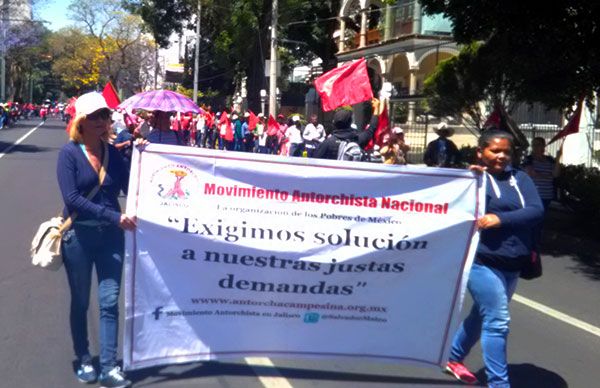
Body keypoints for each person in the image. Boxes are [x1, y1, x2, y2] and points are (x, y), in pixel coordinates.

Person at [445, 129, 544, 388]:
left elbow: (536, 210)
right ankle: (499, 384)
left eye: (506, 152)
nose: (501, 156)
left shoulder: (520, 179)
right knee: (498, 320)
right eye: (494, 150)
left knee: (482, 314)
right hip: (481, 262)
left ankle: (453, 357)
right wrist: (467, 180)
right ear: (481, 152)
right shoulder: (472, 179)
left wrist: (501, 219)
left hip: (513, 264)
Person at [57, 92, 136, 388]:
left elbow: (133, 185)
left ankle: (108, 366)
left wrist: (143, 154)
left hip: (111, 240)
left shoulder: (114, 153)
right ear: (81, 121)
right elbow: (72, 198)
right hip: (79, 238)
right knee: (80, 302)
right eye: (96, 116)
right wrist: (113, 216)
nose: (103, 121)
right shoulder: (69, 154)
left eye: (106, 115)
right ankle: (84, 357)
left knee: (109, 302)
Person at [313, 98, 380, 160]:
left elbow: (315, 162)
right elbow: (371, 129)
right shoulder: (357, 140)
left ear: (334, 123)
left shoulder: (327, 143)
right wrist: (376, 108)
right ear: (350, 123)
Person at [522, 137, 561, 212]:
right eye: (533, 145)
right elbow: (532, 174)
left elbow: (556, 174)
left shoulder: (550, 160)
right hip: (533, 196)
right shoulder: (528, 159)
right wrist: (549, 176)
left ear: (543, 146)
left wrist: (558, 158)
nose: (535, 147)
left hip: (547, 195)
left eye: (538, 145)